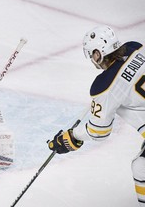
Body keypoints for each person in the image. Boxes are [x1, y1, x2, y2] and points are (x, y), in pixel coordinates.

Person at [48, 25, 145, 206]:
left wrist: (72, 137)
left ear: (97, 54)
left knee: (141, 168)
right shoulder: (135, 47)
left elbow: (98, 131)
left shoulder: (104, 86)